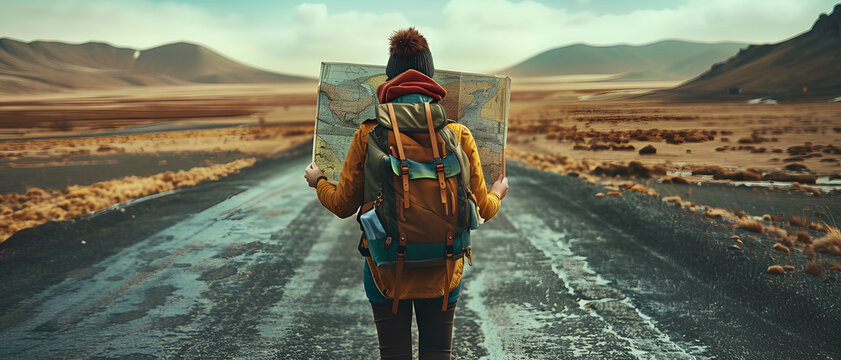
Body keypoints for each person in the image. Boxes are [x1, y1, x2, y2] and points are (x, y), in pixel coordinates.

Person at [304, 27, 509, 360]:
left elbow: (343, 206)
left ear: (389, 78)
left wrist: (318, 182)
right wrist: (498, 192)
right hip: (444, 271)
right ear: (429, 77)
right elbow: (483, 208)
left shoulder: (368, 133)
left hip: (385, 270)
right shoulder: (458, 134)